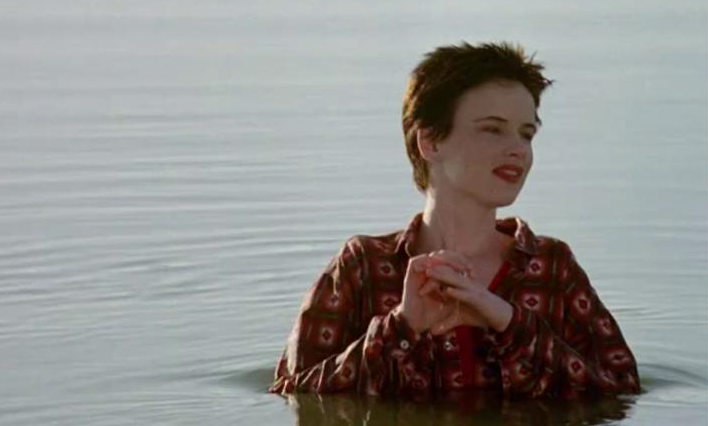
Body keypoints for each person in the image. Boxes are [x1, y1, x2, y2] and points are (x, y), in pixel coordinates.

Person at [268, 41, 641, 400]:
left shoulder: (552, 268)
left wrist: (509, 322)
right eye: (492, 129)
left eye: (526, 134)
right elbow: (291, 393)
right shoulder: (362, 267)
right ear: (430, 141)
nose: (518, 149)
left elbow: (622, 390)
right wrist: (401, 328)